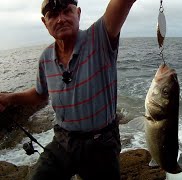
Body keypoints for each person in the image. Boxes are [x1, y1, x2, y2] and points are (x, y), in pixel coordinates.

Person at [0, 0, 136, 179]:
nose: (61, 19)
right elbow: (40, 96)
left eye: (66, 11)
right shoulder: (46, 58)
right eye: (53, 15)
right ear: (45, 23)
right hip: (63, 141)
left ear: (78, 13)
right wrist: (8, 98)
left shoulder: (100, 37)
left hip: (101, 143)